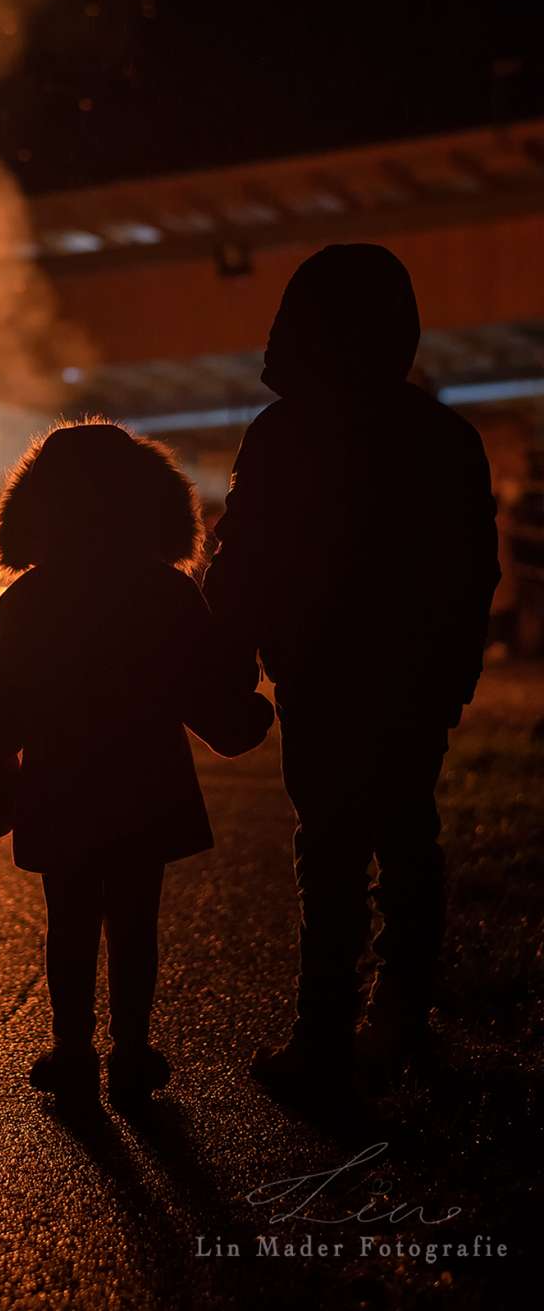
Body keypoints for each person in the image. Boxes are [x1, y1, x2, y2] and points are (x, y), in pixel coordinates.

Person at [203, 244, 500, 1098]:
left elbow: (246, 558)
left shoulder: (285, 434)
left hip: (322, 676)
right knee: (409, 833)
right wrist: (454, 671)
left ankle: (323, 1033)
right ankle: (402, 1013)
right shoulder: (444, 436)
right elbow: (472, 565)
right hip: (414, 679)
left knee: (329, 850)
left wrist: (231, 660)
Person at [0, 420, 274, 1111]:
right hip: (143, 785)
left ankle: (72, 1048)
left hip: (59, 786)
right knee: (135, 919)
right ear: (146, 503)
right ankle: (132, 1051)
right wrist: (245, 720)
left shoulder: (28, 600)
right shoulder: (162, 593)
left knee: (68, 919)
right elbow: (205, 695)